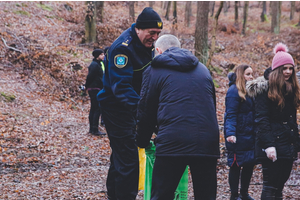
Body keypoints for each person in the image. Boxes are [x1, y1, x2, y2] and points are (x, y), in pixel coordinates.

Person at [136, 34, 220, 200]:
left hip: (173, 141)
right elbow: (211, 106)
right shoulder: (203, 69)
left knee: (162, 195)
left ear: (158, 50)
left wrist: (142, 141)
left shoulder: (154, 70)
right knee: (206, 196)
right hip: (207, 141)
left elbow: (146, 111)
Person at [97, 7, 163, 200]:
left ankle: (115, 195)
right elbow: (121, 88)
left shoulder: (148, 45)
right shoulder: (122, 49)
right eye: (152, 33)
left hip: (133, 106)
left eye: (158, 34)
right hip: (115, 108)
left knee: (120, 155)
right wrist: (145, 110)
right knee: (129, 159)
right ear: (139, 29)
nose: (154, 38)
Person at [246, 43, 300, 200]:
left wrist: (295, 144)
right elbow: (261, 119)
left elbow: (292, 120)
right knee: (270, 186)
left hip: (287, 144)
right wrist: (269, 145)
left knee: (280, 186)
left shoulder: (291, 89)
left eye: (291, 68)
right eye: (284, 68)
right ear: (277, 70)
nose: (288, 72)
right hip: (272, 144)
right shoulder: (265, 89)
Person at [224, 65, 256, 200]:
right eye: (248, 74)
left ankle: (244, 193)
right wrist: (230, 133)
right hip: (237, 135)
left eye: (252, 74)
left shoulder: (251, 92)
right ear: (240, 75)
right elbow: (230, 114)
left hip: (250, 134)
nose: (251, 77)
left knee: (249, 164)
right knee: (235, 165)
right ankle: (234, 195)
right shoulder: (233, 91)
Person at [85, 49, 105, 136]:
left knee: (95, 108)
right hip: (94, 89)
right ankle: (94, 129)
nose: (103, 55)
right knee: (96, 109)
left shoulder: (98, 64)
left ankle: (93, 128)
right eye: (101, 54)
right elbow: (90, 77)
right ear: (97, 55)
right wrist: (86, 86)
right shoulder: (94, 65)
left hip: (96, 88)